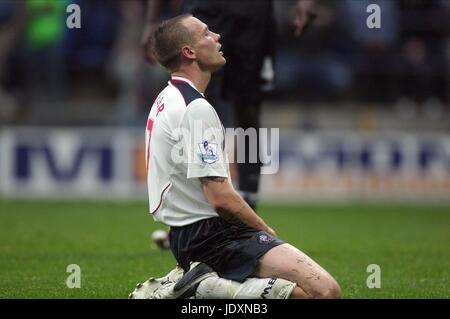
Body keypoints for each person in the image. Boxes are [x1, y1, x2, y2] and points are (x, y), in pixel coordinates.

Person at [130, 14, 340, 299]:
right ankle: (206, 287)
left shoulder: (166, 97)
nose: (217, 36)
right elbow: (221, 198)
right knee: (326, 292)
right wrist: (264, 230)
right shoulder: (195, 108)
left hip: (184, 236)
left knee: (301, 294)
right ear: (189, 52)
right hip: (214, 236)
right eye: (206, 33)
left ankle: (198, 283)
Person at [142, 0, 317, 250]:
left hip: (253, 15)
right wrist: (150, 21)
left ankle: (246, 214)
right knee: (198, 106)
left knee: (248, 110)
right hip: (207, 9)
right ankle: (189, 220)